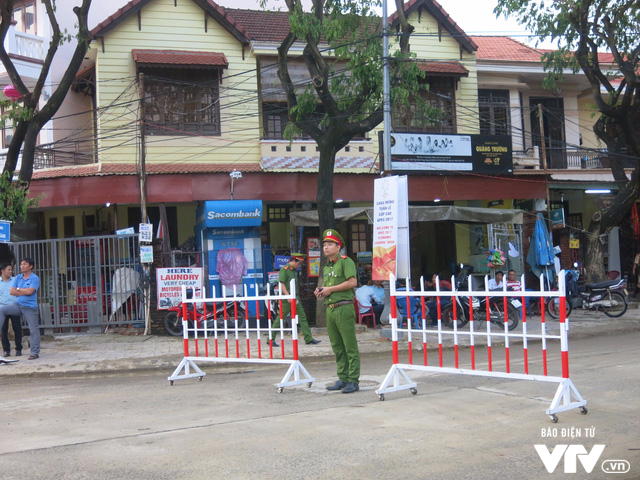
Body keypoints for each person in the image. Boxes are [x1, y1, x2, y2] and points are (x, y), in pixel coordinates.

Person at [315, 229, 360, 394]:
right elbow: (330, 289)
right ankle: (343, 378)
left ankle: (353, 380)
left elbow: (352, 282)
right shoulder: (326, 267)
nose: (326, 247)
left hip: (344, 307)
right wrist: (321, 290)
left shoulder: (345, 261)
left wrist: (330, 289)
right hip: (331, 309)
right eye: (324, 244)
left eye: (330, 244)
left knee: (349, 346)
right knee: (337, 347)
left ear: (338, 247)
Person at [270, 253, 320, 347]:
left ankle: (308, 338)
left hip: (295, 298)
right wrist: (288, 296)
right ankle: (271, 338)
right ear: (293, 261)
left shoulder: (293, 270)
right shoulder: (284, 270)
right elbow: (281, 284)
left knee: (302, 317)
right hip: (287, 299)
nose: (299, 265)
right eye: (299, 263)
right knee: (281, 318)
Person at [0, 258, 41, 360]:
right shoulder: (18, 277)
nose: (22, 266)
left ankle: (34, 352)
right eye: (21, 264)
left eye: (24, 264)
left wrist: (18, 289)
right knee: (2, 309)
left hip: (30, 308)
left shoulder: (34, 278)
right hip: (17, 305)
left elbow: (30, 292)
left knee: (33, 330)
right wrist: (22, 290)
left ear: (30, 266)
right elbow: (11, 291)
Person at [0, 262, 22, 357]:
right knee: (3, 330)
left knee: (17, 328)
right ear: (3, 271)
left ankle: (19, 349)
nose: (11, 271)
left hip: (14, 307)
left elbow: (20, 292)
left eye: (11, 269)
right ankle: (6, 350)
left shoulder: (15, 280)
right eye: (8, 270)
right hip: (2, 309)